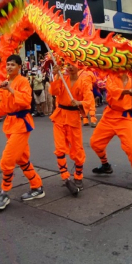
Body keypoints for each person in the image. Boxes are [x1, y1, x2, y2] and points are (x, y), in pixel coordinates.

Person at [0, 55, 44, 211]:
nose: (9, 67)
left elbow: (25, 101)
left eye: (12, 64)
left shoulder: (22, 81)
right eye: (7, 64)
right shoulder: (6, 83)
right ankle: (37, 187)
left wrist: (9, 88)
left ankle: (4, 193)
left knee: (7, 161)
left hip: (21, 125)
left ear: (19, 66)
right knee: (22, 159)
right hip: (10, 124)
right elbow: (3, 109)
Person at [90, 73, 132, 189]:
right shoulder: (111, 78)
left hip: (125, 118)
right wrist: (125, 92)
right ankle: (105, 165)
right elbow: (112, 90)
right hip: (109, 116)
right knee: (95, 143)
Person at [49, 62, 94, 195]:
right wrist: (56, 75)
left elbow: (89, 100)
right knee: (60, 148)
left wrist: (80, 103)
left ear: (79, 66)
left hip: (73, 118)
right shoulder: (63, 79)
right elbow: (54, 92)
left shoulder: (84, 82)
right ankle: (65, 176)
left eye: (72, 64)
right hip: (59, 116)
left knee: (77, 149)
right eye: (67, 64)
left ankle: (78, 176)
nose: (69, 67)